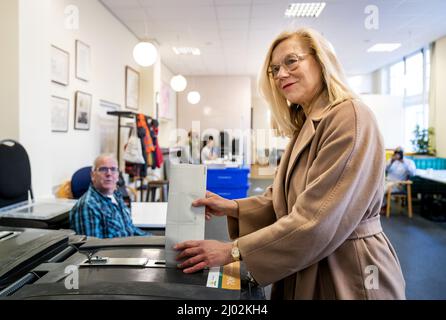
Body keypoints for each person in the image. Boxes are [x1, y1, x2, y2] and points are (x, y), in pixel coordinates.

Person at [174, 28, 405, 299]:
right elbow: (283, 200)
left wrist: (232, 251)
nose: (281, 73)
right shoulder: (306, 125)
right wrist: (232, 207)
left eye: (291, 61)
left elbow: (316, 220)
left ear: (321, 61)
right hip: (308, 261)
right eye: (274, 69)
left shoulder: (349, 117)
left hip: (347, 270)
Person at [70, 154, 149, 238]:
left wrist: (152, 240)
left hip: (129, 246)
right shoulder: (88, 206)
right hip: (119, 250)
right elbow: (93, 249)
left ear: (118, 175)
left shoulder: (116, 195)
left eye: (113, 169)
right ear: (93, 175)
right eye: (103, 169)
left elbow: (130, 229)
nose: (109, 173)